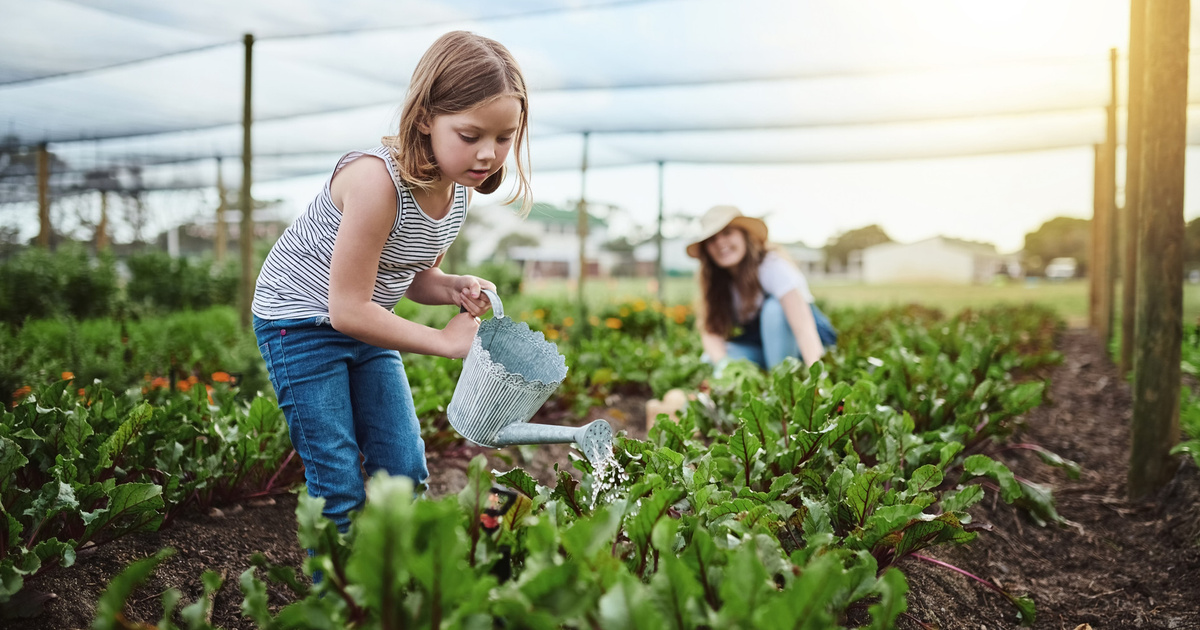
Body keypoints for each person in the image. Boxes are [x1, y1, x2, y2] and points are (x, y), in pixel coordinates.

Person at [251, 31, 531, 533]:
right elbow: (348, 308)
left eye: (503, 138)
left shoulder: (456, 192)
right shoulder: (376, 182)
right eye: (470, 136)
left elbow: (414, 277)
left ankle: (394, 586)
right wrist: (445, 342)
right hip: (300, 325)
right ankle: (341, 604)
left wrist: (451, 286)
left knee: (403, 469)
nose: (488, 154)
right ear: (425, 117)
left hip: (365, 325)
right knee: (338, 482)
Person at [687, 205, 836, 372]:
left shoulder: (772, 266)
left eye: (727, 233)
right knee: (710, 358)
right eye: (712, 239)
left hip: (808, 347)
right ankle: (765, 376)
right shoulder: (718, 281)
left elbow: (804, 329)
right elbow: (711, 331)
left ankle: (780, 381)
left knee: (774, 309)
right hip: (766, 348)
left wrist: (818, 376)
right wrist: (723, 367)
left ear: (744, 235)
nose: (720, 242)